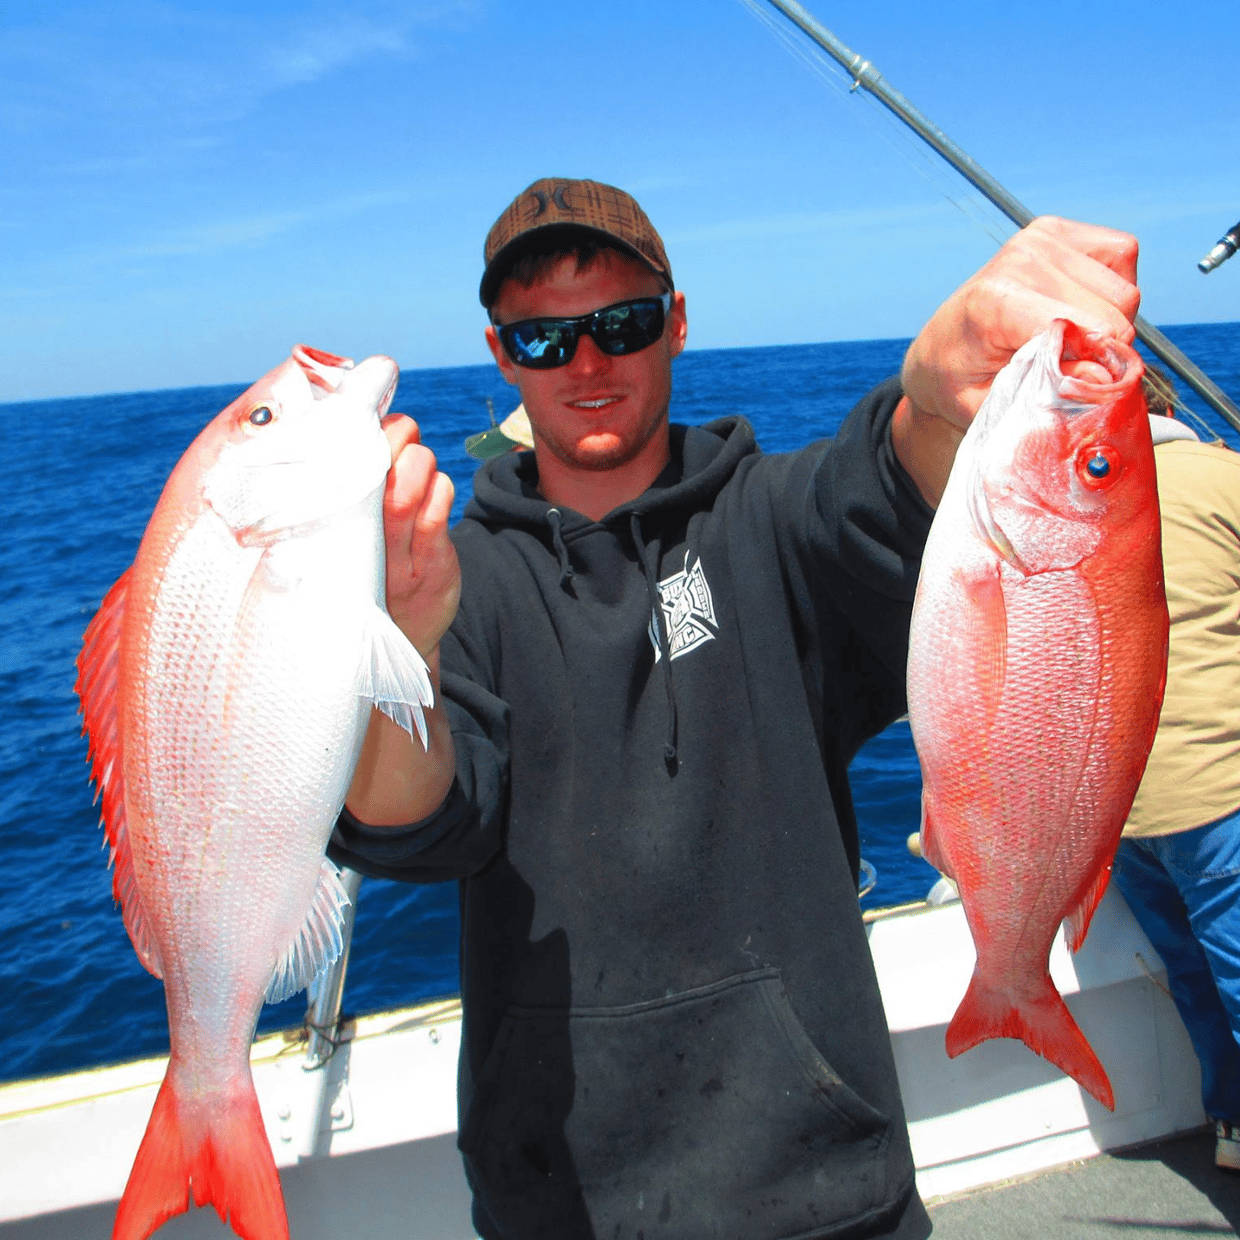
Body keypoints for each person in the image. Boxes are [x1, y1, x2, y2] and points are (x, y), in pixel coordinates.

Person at [330, 177, 1141, 1240]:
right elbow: (419, 827)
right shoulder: (453, 583)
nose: (587, 363)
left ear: (676, 322)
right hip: (556, 1197)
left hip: (834, 1183)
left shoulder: (770, 518)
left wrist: (942, 394)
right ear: (500, 356)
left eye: (622, 323)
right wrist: (400, 649)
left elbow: (888, 495)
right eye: (544, 340)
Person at [1113, 364, 1240, 1172]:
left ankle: (1232, 1124)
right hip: (1218, 790)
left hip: (1117, 809)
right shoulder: (1222, 474)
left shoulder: (1075, 502)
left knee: (1191, 971)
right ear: (1167, 406)